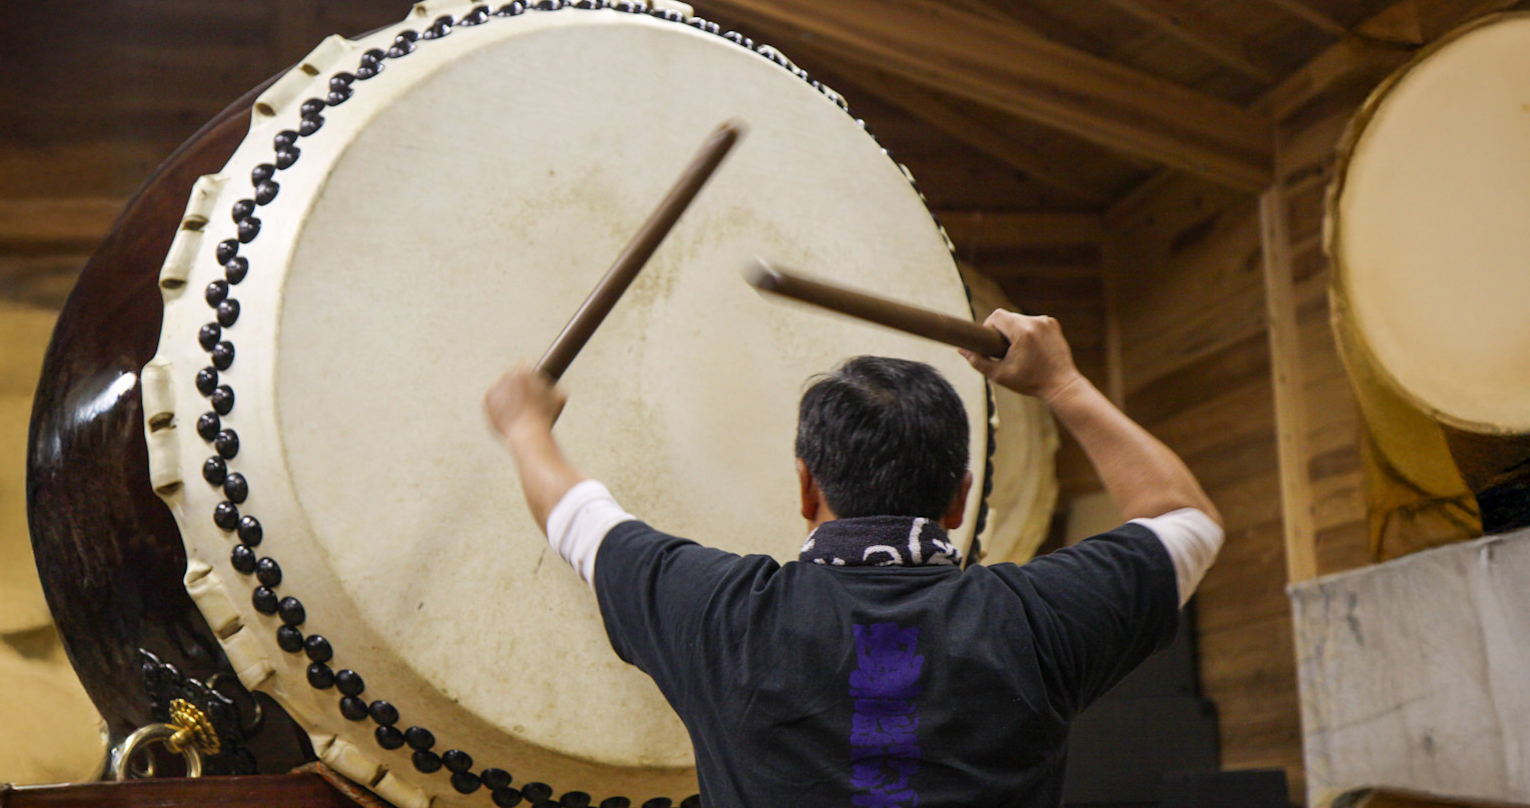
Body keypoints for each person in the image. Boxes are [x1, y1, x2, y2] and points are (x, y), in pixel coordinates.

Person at [484, 309, 1223, 808]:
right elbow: (1187, 519)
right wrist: (1061, 381)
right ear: (960, 497)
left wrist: (525, 426)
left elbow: (579, 517)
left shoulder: (722, 615)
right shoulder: (1037, 622)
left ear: (807, 485)